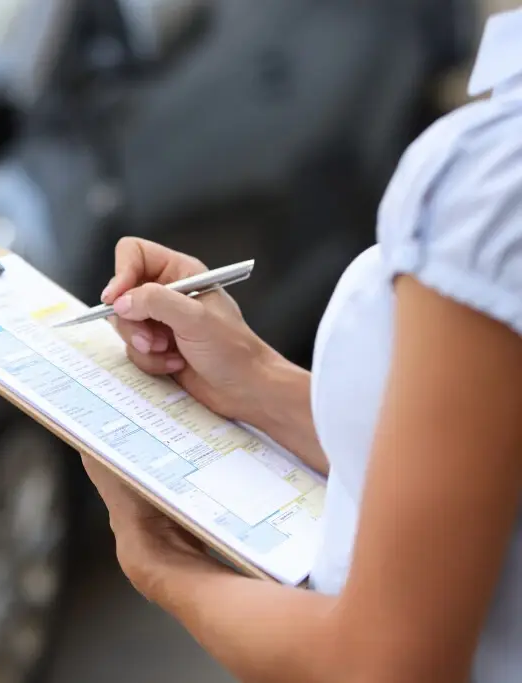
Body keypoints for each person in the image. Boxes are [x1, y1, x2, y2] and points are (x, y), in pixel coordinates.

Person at [82, 8, 522, 683]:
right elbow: (480, 483)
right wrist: (256, 379)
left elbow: (382, 663)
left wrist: (161, 563)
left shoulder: (489, 180)